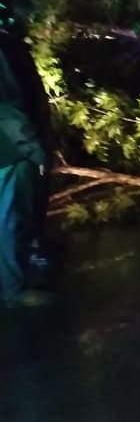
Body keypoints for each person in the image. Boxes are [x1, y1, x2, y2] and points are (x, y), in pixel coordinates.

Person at [0, 49, 49, 307]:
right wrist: (35, 151)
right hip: (6, 152)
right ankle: (13, 289)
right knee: (7, 220)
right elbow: (7, 108)